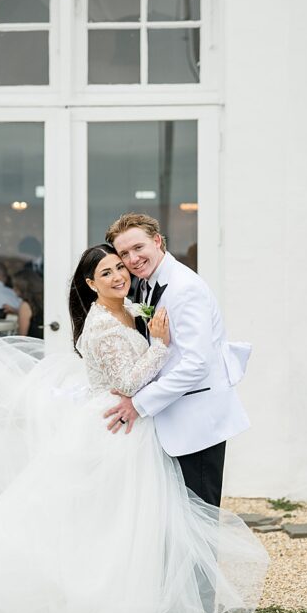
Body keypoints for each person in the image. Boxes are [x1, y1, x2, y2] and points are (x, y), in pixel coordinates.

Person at [0, 243, 268, 613]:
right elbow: (128, 383)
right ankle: (44, 595)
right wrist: (161, 345)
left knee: (118, 524)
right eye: (106, 272)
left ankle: (131, 604)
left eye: (119, 267)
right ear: (90, 284)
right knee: (101, 520)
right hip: (114, 427)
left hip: (132, 426)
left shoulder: (129, 307)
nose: (118, 275)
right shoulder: (103, 325)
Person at [102, 213, 252, 509]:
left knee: (199, 516)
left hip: (195, 420)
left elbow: (196, 364)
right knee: (178, 518)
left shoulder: (185, 288)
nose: (132, 259)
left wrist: (138, 403)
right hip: (174, 416)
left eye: (138, 248)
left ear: (157, 241)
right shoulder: (147, 284)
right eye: (124, 254)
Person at [11, 269, 44, 339]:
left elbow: (22, 336)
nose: (13, 289)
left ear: (22, 287)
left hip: (32, 346)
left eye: (15, 286)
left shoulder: (26, 305)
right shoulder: (44, 300)